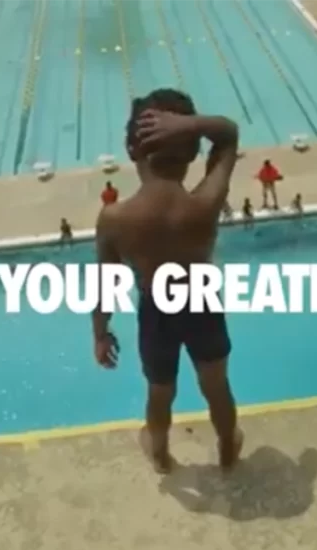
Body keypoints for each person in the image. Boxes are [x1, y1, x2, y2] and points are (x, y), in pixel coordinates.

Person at [92, 89, 243, 474]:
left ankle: (160, 454)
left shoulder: (115, 219)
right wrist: (190, 125)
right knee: (215, 385)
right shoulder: (204, 203)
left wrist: (101, 334)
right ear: (194, 152)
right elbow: (228, 135)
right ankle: (228, 445)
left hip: (156, 309)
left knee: (160, 393)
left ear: (131, 150)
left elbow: (104, 287)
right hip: (201, 301)